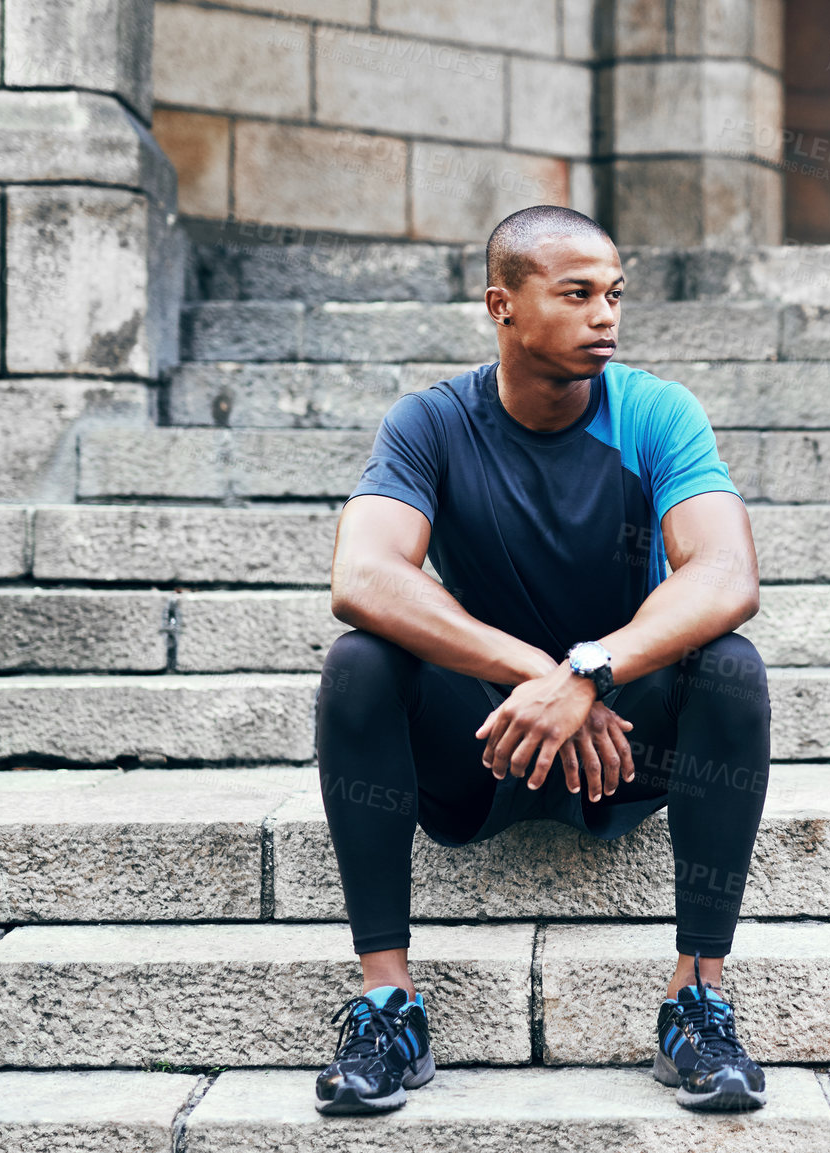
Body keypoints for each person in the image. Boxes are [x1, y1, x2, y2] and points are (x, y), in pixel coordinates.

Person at [310, 205, 772, 1116]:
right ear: (502, 305)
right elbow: (362, 573)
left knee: (732, 665)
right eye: (577, 294)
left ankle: (698, 998)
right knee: (359, 661)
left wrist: (592, 670)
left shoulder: (654, 410)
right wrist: (544, 676)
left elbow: (725, 571)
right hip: (483, 741)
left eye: (614, 294)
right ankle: (386, 1004)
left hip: (623, 743)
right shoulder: (431, 422)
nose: (607, 315)